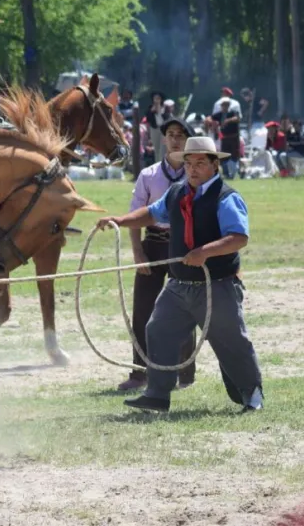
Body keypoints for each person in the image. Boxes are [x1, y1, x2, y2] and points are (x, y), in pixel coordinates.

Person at [96, 135, 263, 414]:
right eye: (188, 163)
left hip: (216, 286)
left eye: (200, 163)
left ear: (214, 166)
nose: (193, 169)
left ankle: (252, 394)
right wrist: (121, 220)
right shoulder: (176, 192)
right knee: (158, 330)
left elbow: (238, 237)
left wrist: (204, 252)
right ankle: (157, 394)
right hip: (178, 287)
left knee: (231, 341)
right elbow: (152, 214)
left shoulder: (226, 197)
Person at [117, 117, 197, 392]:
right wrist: (138, 252)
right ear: (163, 139)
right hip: (152, 243)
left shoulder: (196, 175)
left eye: (181, 135)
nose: (175, 139)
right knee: (143, 310)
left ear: (188, 140)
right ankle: (139, 372)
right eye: (171, 134)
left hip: (183, 247)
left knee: (185, 308)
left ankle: (185, 372)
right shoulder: (148, 175)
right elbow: (134, 215)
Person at [212, 100, 241, 179]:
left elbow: (237, 118)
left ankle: (234, 173)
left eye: (226, 105)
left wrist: (228, 120)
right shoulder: (219, 114)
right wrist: (213, 123)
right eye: (223, 105)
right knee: (224, 156)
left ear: (228, 106)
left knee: (234, 156)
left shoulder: (233, 112)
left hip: (233, 138)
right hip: (224, 138)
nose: (224, 107)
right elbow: (211, 118)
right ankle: (226, 173)